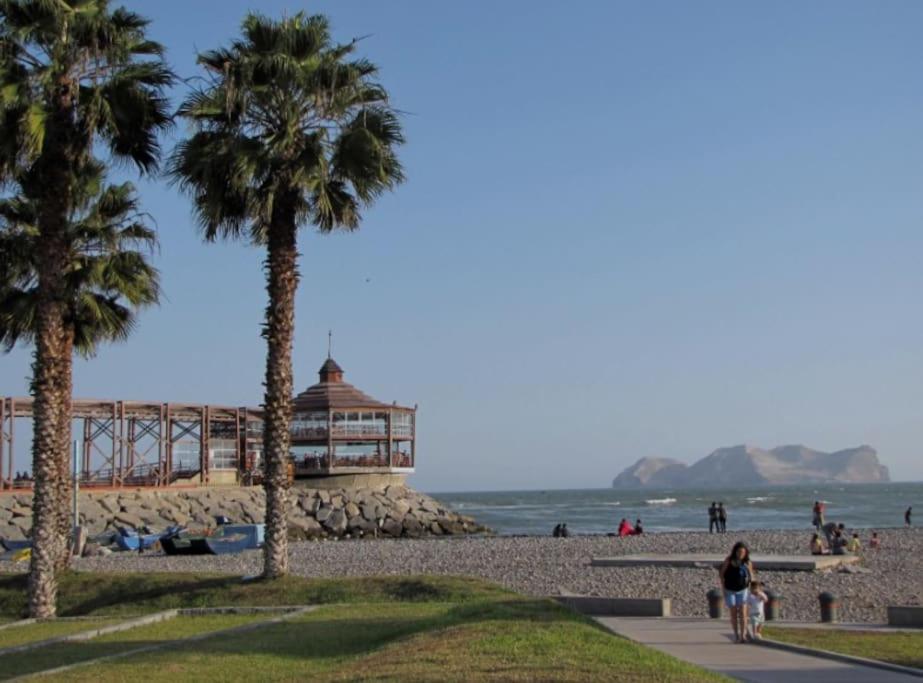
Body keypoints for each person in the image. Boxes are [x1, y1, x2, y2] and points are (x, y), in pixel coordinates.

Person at [719, 541, 754, 643]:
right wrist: (723, 587)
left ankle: (743, 635)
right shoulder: (729, 560)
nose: (741, 554)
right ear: (735, 552)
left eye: (743, 552)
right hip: (730, 590)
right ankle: (736, 634)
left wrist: (751, 588)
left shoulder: (747, 562)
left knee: (743, 613)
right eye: (739, 552)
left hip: (743, 589)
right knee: (733, 612)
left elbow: (752, 576)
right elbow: (722, 574)